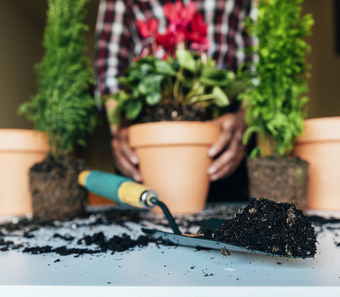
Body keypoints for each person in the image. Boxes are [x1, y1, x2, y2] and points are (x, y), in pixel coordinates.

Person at [95, 0, 253, 202]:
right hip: (143, 127)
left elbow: (257, 72)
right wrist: (118, 129)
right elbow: (110, 70)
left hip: (228, 133)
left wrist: (243, 120)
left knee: (230, 225)